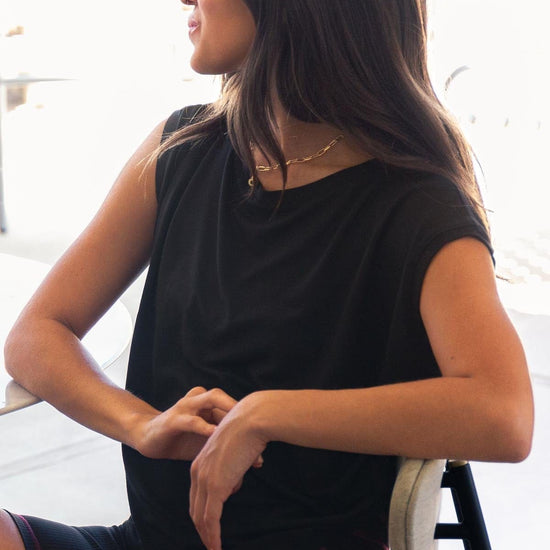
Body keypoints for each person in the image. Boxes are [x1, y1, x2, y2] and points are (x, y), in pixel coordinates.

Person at [1, 1, 534, 549]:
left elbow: (503, 414)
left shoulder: (414, 204)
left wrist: (267, 413)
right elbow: (36, 334)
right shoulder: (181, 149)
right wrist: (141, 425)